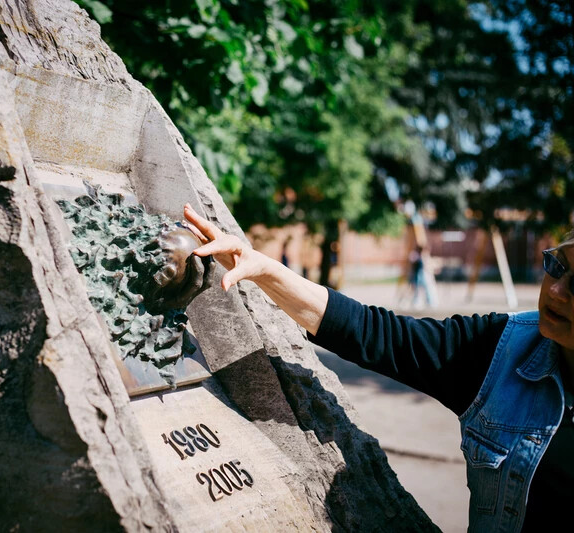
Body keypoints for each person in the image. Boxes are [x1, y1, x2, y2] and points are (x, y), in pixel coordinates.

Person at [183, 203, 572, 532]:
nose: (555, 290)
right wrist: (264, 269)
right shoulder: (503, 350)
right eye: (558, 266)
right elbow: (376, 333)